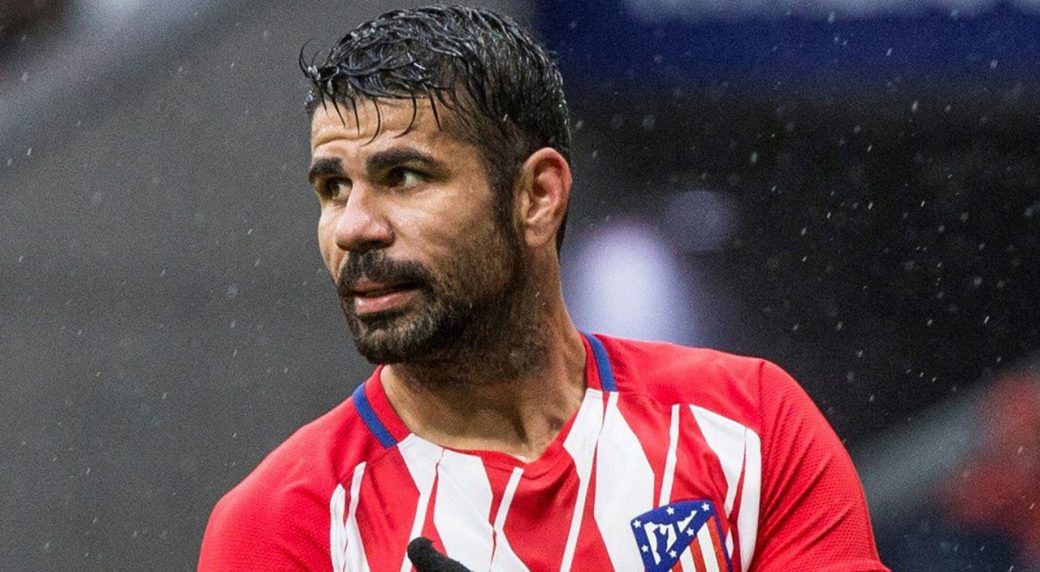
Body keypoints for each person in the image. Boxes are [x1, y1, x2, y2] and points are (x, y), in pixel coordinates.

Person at [198, 5, 888, 571]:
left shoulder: (749, 426)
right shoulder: (281, 528)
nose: (353, 227)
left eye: (403, 177)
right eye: (332, 187)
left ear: (537, 195)